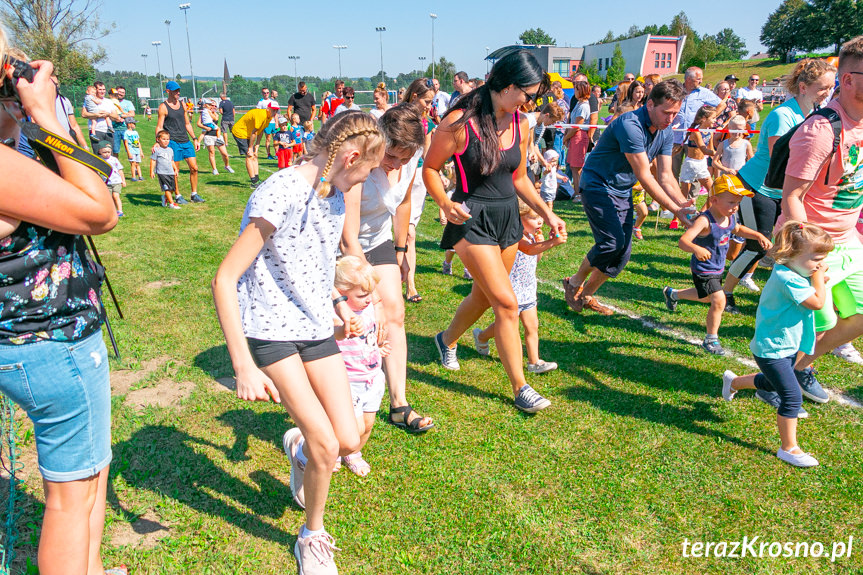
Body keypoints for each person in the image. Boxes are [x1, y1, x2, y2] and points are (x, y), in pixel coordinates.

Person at [211, 111, 384, 573]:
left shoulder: (333, 196)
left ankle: (299, 450)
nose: (362, 182)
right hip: (271, 331)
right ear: (349, 157)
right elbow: (225, 279)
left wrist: (338, 307)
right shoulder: (280, 191)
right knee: (327, 443)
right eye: (366, 172)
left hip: (315, 328)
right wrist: (243, 365)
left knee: (347, 440)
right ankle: (312, 536)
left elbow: (313, 265)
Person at [0, 46, 121, 575]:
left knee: (92, 472)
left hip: (26, 341)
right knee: (72, 497)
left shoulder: (13, 146)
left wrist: (31, 124)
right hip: (50, 342)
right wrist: (47, 115)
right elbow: (100, 209)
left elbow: (94, 175)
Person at [423, 50, 568, 413]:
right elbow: (430, 168)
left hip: (507, 219)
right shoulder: (458, 122)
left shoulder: (521, 123)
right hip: (471, 220)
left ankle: (446, 339)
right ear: (505, 86)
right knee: (507, 302)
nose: (530, 102)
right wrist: (444, 202)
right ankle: (521, 387)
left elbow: (519, 178)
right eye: (527, 94)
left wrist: (547, 213)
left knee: (485, 296)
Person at [562, 80, 695, 316]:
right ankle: (573, 283)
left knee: (622, 254)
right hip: (597, 185)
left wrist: (682, 203)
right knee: (611, 243)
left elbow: (665, 175)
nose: (670, 118)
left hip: (622, 189)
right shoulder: (630, 125)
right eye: (666, 112)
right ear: (650, 104)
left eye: (675, 113)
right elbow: (645, 175)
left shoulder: (665, 131)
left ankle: (585, 295)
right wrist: (675, 210)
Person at [340, 103, 435, 431]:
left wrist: (400, 250)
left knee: (395, 313)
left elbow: (405, 202)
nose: (395, 165)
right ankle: (337, 395)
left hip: (378, 239)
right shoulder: (360, 163)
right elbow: (348, 237)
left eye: (404, 159)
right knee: (350, 318)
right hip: (342, 244)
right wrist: (374, 296)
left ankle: (398, 404)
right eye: (390, 156)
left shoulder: (409, 162)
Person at [780, 36, 863, 406]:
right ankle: (766, 377)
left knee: (859, 317)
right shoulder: (820, 131)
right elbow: (792, 197)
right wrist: (811, 255)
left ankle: (797, 368)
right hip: (814, 241)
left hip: (849, 238)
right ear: (847, 80)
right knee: (819, 321)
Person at [723, 59, 836, 312]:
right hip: (756, 188)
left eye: (830, 88)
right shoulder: (782, 115)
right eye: (822, 87)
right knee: (757, 246)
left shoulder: (812, 115)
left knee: (788, 247)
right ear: (804, 87)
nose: (827, 93)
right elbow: (781, 159)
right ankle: (725, 292)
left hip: (784, 192)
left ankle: (780, 297)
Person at [722, 221, 834, 467]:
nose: (820, 265)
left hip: (787, 344)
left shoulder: (794, 271)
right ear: (793, 254)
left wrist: (814, 274)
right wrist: (818, 279)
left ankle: (733, 383)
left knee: (772, 383)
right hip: (772, 348)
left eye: (823, 259)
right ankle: (789, 448)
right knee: (792, 397)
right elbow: (816, 302)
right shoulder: (787, 278)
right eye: (816, 259)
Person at [662, 175, 772, 355]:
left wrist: (758, 236)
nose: (735, 207)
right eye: (731, 202)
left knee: (706, 297)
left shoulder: (729, 217)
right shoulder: (705, 221)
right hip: (703, 269)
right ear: (714, 200)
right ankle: (711, 339)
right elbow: (684, 241)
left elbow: (737, 229)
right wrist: (696, 249)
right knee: (719, 300)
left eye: (738, 203)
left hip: (718, 268)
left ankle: (673, 294)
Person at [473, 199, 565, 372]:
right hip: (511, 289)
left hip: (528, 288)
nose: (540, 221)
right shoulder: (515, 236)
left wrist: (542, 245)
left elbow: (535, 258)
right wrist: (551, 243)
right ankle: (482, 336)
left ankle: (534, 361)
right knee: (509, 324)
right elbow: (528, 250)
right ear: (519, 218)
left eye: (540, 218)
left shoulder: (531, 236)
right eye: (534, 217)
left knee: (532, 326)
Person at [332, 256, 391, 477]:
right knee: (352, 427)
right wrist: (344, 329)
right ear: (341, 291)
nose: (369, 299)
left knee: (367, 423)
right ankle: (334, 452)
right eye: (362, 295)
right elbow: (331, 335)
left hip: (374, 376)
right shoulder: (337, 313)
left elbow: (370, 338)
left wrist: (380, 347)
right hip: (349, 380)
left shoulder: (368, 310)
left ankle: (354, 453)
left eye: (370, 293)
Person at [155, 80, 205, 203]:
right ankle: (177, 195)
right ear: (168, 91)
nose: (178, 92)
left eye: (178, 90)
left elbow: (187, 123)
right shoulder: (163, 107)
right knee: (175, 170)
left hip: (185, 141)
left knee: (194, 168)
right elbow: (159, 126)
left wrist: (194, 139)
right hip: (172, 142)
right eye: (175, 90)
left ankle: (194, 194)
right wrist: (157, 141)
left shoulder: (182, 104)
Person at [670, 67, 724, 178]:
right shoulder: (676, 90)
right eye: (698, 79)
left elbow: (722, 104)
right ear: (689, 79)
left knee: (695, 171)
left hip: (695, 139)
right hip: (676, 137)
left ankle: (692, 195)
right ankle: (671, 194)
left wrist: (709, 119)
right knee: (672, 171)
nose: (701, 81)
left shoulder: (703, 92)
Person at [231, 102, 279, 188]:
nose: (275, 112)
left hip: (249, 133)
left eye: (276, 110)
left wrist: (257, 146)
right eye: (273, 110)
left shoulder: (269, 117)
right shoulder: (262, 115)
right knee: (249, 156)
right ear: (268, 109)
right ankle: (253, 182)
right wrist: (250, 147)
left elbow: (260, 132)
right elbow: (254, 132)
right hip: (240, 132)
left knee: (254, 156)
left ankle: (257, 179)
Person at [563, 80, 591, 194]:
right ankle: (576, 191)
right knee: (573, 166)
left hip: (579, 137)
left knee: (577, 167)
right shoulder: (578, 104)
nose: (574, 91)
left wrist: (565, 138)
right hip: (574, 136)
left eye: (576, 89)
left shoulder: (584, 106)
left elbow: (576, 126)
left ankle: (579, 193)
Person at [197, 99, 234, 176]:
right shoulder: (205, 112)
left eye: (215, 106)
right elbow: (198, 124)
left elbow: (216, 118)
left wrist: (212, 112)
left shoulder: (215, 114)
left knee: (225, 154)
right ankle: (214, 169)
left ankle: (227, 166)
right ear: (209, 105)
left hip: (217, 135)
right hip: (208, 135)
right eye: (212, 105)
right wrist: (205, 127)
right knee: (212, 152)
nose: (213, 107)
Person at [81, 80, 120, 145]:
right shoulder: (89, 100)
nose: (102, 91)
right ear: (95, 90)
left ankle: (110, 127)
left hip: (108, 132)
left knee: (109, 154)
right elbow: (83, 114)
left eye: (104, 89)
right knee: (98, 154)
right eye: (100, 89)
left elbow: (116, 116)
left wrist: (108, 114)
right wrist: (96, 115)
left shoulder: (109, 101)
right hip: (96, 131)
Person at [151, 130, 181, 209]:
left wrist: (175, 169)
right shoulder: (156, 150)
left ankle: (165, 197)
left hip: (170, 172)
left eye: (167, 139)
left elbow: (172, 161)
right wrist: (152, 171)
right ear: (158, 139)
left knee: (172, 189)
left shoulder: (170, 150)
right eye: (164, 139)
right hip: (162, 172)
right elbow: (153, 160)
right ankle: (172, 204)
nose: (166, 141)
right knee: (167, 188)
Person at [98, 141, 126, 217]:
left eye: (109, 152)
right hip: (107, 183)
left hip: (116, 181)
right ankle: (111, 211)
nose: (107, 154)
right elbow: (98, 171)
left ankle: (120, 211)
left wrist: (123, 180)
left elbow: (120, 170)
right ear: (99, 151)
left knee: (116, 196)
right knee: (109, 198)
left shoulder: (114, 160)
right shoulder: (100, 161)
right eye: (104, 152)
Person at [110, 85, 135, 158]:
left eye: (123, 92)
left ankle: (135, 168)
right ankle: (116, 167)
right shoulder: (111, 102)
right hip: (114, 129)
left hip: (127, 129)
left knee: (132, 149)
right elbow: (109, 114)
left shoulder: (128, 103)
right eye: (119, 92)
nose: (121, 94)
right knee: (115, 151)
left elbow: (132, 114)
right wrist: (126, 114)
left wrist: (120, 115)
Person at [257, 87, 278, 159]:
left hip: (273, 123)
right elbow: (258, 113)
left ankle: (277, 154)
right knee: (268, 138)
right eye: (264, 93)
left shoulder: (273, 101)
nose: (266, 94)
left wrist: (277, 123)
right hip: (267, 123)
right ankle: (269, 154)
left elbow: (275, 113)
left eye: (267, 92)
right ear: (262, 94)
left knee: (276, 138)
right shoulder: (261, 102)